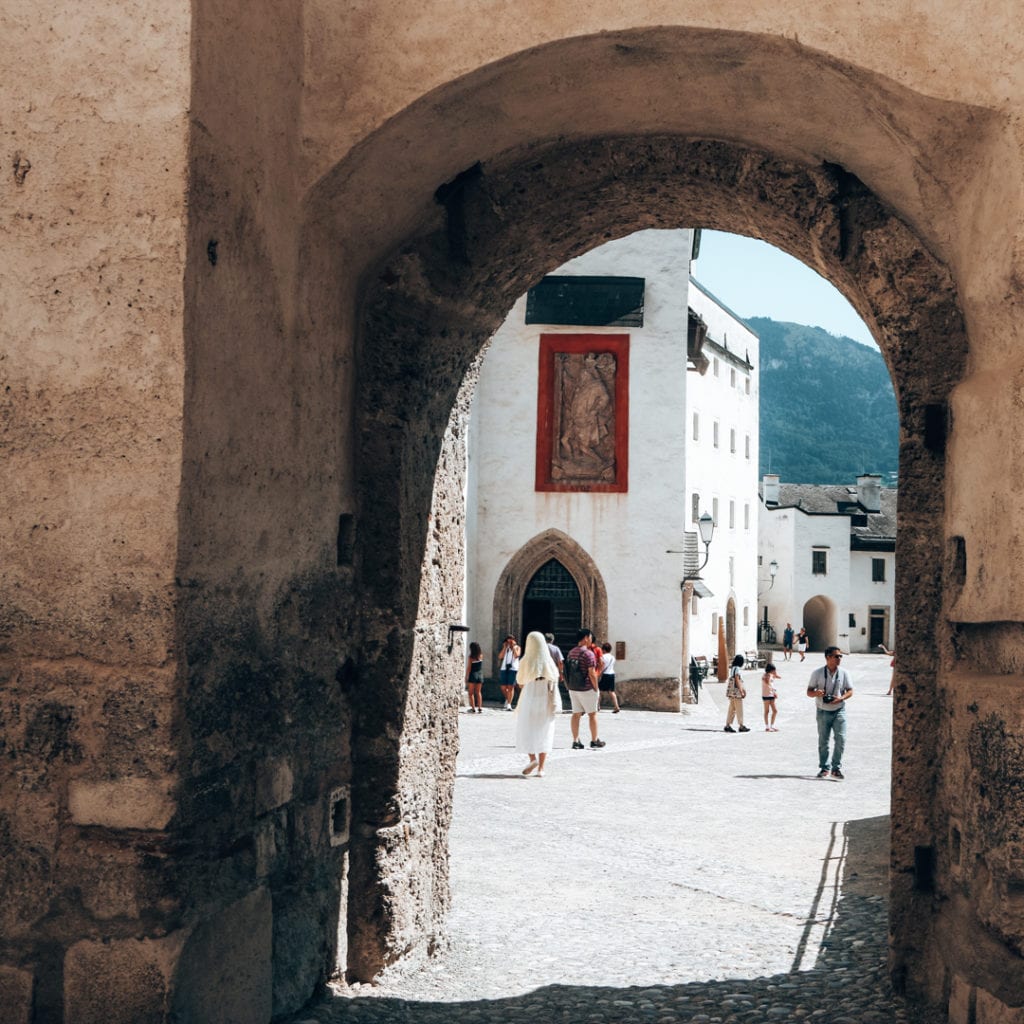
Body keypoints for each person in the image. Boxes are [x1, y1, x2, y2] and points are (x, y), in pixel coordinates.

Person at [515, 632, 560, 777]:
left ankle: (532, 759)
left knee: (527, 729)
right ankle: (541, 769)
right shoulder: (548, 662)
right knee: (544, 731)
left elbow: (520, 682)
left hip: (529, 697)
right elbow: (556, 677)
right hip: (545, 699)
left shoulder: (525, 661)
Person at [806, 646, 854, 779]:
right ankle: (824, 768)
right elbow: (809, 691)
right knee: (823, 741)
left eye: (840, 656)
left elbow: (850, 690)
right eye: (836, 656)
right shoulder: (817, 673)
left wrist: (841, 698)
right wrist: (816, 693)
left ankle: (836, 768)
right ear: (828, 657)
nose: (839, 658)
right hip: (822, 711)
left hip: (839, 710)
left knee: (841, 739)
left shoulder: (844, 673)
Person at [564, 627, 606, 749]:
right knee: (592, 714)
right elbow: (592, 673)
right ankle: (594, 740)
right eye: (591, 637)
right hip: (587, 688)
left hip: (573, 688)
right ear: (587, 638)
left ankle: (575, 741)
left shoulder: (571, 652)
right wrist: (596, 688)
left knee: (575, 714)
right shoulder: (588, 654)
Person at [723, 653, 749, 732]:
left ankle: (727, 725)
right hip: (736, 692)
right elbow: (737, 680)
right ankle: (741, 725)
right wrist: (741, 690)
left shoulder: (733, 668)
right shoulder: (737, 668)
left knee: (732, 709)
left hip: (731, 692)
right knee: (739, 708)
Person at [498, 634, 520, 710]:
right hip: (504, 668)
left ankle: (509, 704)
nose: (509, 643)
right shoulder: (506, 649)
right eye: (508, 641)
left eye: (511, 641)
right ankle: (508, 699)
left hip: (513, 668)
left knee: (511, 687)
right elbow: (500, 656)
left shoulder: (517, 647)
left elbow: (516, 655)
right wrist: (504, 647)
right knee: (503, 687)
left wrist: (513, 647)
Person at [597, 641, 620, 712]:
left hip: (605, 675)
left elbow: (601, 666)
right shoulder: (613, 657)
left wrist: (598, 674)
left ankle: (597, 706)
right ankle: (616, 706)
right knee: (611, 692)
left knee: (599, 691)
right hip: (611, 674)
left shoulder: (603, 657)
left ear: (603, 649)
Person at [465, 641, 484, 713]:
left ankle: (473, 708)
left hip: (473, 674)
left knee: (471, 693)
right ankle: (480, 707)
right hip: (480, 675)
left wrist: (466, 676)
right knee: (478, 692)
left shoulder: (471, 657)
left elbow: (469, 668)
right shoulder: (481, 655)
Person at [762, 662, 781, 731]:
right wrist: (774, 692)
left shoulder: (771, 675)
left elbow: (777, 677)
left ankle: (772, 726)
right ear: (770, 670)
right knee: (766, 711)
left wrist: (775, 675)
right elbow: (769, 685)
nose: (774, 671)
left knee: (775, 711)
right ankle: (767, 727)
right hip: (766, 695)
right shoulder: (765, 676)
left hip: (771, 695)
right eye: (773, 670)